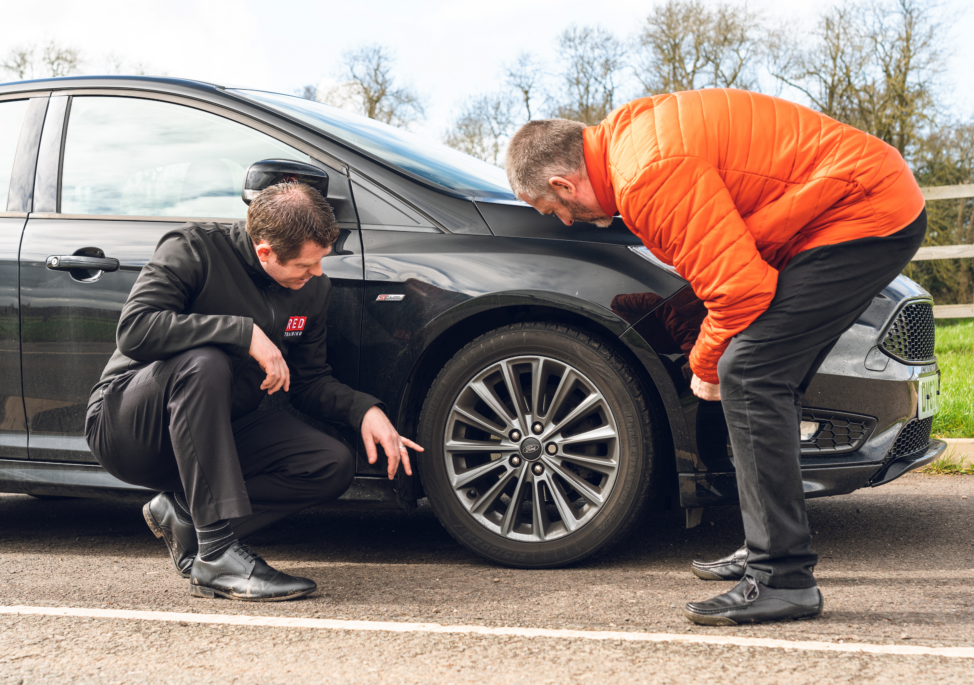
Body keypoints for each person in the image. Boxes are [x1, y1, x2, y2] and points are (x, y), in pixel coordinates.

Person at [505, 89, 926, 625]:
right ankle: (768, 543)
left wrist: (705, 366)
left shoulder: (644, 175)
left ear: (563, 183)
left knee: (746, 374)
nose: (565, 220)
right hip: (848, 202)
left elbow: (741, 292)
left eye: (554, 208)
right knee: (771, 379)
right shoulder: (627, 139)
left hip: (861, 213)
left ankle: (782, 579)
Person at [86, 182, 422, 602]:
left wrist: (365, 412)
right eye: (306, 264)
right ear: (265, 252)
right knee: (204, 360)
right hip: (131, 426)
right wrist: (241, 332)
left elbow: (310, 381)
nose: (317, 273)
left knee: (329, 464)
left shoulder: (312, 290)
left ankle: (187, 517)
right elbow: (136, 329)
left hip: (222, 429)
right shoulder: (193, 248)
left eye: (320, 262)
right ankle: (217, 554)